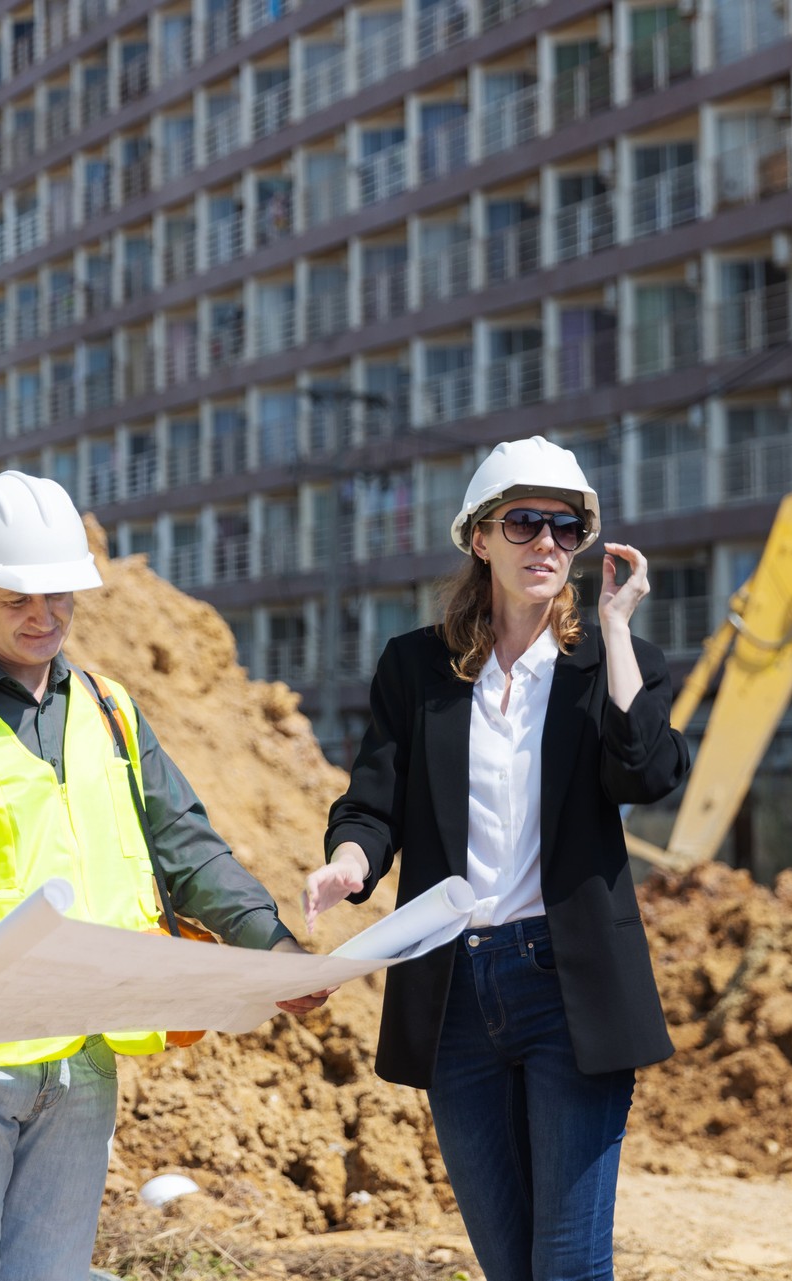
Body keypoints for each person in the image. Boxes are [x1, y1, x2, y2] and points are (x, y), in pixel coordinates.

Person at [0, 470, 327, 1281]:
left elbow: (187, 848)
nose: (44, 614)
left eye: (59, 594)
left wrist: (275, 948)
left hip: (79, 1060)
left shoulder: (110, 710)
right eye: (18, 597)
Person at [302, 436, 690, 1281]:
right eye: (524, 523)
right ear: (480, 538)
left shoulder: (612, 665)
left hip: (568, 987)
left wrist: (616, 628)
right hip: (453, 992)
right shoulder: (416, 667)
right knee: (508, 1265)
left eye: (566, 527)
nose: (547, 542)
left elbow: (647, 771)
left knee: (567, 1267)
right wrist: (351, 861)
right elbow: (373, 801)